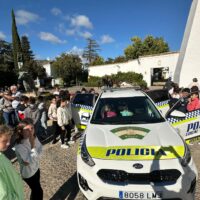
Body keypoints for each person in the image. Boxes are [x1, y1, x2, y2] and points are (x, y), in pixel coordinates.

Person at [15, 118, 43, 200]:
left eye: (32, 128)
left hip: (36, 168)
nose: (31, 131)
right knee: (39, 191)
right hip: (28, 174)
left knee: (35, 190)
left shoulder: (34, 137)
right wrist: (33, 145)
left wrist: (34, 155)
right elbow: (28, 161)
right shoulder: (19, 146)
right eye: (27, 129)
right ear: (20, 131)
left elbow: (41, 149)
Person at [0, 125, 24, 199]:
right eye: (4, 141)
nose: (8, 143)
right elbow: (2, 194)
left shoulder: (2, 156)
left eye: (9, 140)